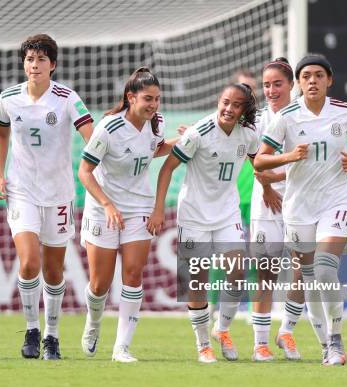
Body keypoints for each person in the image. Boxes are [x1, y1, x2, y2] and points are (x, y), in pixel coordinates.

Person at [254, 54, 347, 366]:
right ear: (299, 83)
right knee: (308, 278)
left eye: (319, 75)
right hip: (299, 207)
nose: (312, 81)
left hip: (337, 199)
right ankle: (324, 346)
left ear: (329, 80)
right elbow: (260, 161)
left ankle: (336, 340)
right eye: (306, 76)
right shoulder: (287, 117)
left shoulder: (346, 112)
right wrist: (289, 156)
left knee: (324, 269)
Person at [0, 34, 94, 360]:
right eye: (29, 60)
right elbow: (0, 132)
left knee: (53, 271)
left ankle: (52, 335)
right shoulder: (8, 98)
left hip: (60, 192)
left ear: (52, 64)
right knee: (28, 262)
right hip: (22, 189)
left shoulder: (66, 98)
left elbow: (90, 135)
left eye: (40, 60)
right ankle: (32, 329)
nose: (34, 65)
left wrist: (93, 167)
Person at [149, 83, 259, 363]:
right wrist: (159, 208)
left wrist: (269, 188)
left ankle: (221, 329)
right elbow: (168, 168)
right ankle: (202, 344)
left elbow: (259, 164)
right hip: (194, 215)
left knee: (237, 269)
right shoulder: (199, 132)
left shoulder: (248, 135)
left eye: (236, 105)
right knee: (196, 282)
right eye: (225, 102)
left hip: (227, 214)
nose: (228, 108)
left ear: (243, 110)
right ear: (218, 102)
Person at [78, 67, 174, 363]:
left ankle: (122, 347)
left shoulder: (156, 123)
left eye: (157, 99)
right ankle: (93, 323)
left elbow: (153, 150)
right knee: (100, 284)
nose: (153, 105)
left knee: (133, 273)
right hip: (103, 208)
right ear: (130, 97)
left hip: (139, 208)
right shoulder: (108, 127)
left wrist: (183, 141)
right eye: (148, 98)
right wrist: (107, 205)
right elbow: (84, 172)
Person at [249, 57, 328, 362]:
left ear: (291, 85)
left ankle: (287, 332)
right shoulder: (256, 120)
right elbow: (255, 164)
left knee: (302, 271)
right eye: (266, 84)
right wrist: (268, 186)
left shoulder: (305, 114)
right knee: (265, 273)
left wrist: (280, 176)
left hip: (301, 199)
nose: (271, 90)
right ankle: (260, 343)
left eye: (277, 84)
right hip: (266, 202)